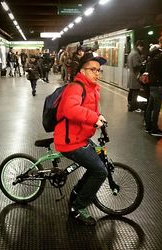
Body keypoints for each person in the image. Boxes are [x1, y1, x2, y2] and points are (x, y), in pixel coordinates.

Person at [54, 53, 108, 226]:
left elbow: (86, 109)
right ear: (82, 71)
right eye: (93, 70)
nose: (97, 73)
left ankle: (77, 193)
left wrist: (98, 116)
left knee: (96, 166)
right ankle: (77, 208)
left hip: (80, 137)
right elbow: (71, 109)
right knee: (100, 171)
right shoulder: (76, 87)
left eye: (99, 70)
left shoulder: (91, 87)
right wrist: (93, 118)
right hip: (70, 141)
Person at [144, 36, 162, 137]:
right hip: (159, 85)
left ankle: (148, 127)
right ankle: (154, 129)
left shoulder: (152, 54)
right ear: (160, 43)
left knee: (150, 106)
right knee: (156, 108)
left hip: (152, 84)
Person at [127, 40, 144, 111]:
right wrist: (142, 64)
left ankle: (130, 105)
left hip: (132, 75)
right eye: (142, 47)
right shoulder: (135, 54)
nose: (142, 49)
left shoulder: (131, 53)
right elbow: (136, 65)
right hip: (135, 76)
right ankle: (134, 107)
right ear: (139, 46)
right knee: (135, 92)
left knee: (131, 91)